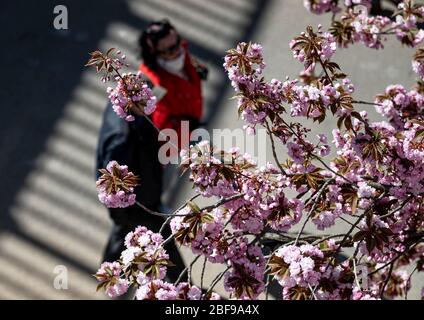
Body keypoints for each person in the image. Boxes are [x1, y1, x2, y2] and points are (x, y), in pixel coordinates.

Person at [96, 103, 185, 282]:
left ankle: (109, 267)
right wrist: (121, 216)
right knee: (163, 243)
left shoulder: (126, 113)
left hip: (143, 199)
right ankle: (182, 284)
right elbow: (114, 189)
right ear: (132, 102)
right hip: (140, 205)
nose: (152, 105)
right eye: (145, 102)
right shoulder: (121, 138)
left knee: (123, 234)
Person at [138, 19, 208, 150]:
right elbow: (161, 122)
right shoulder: (154, 84)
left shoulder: (180, 53)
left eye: (178, 42)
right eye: (171, 49)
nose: (178, 50)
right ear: (155, 52)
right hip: (180, 145)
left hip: (194, 124)